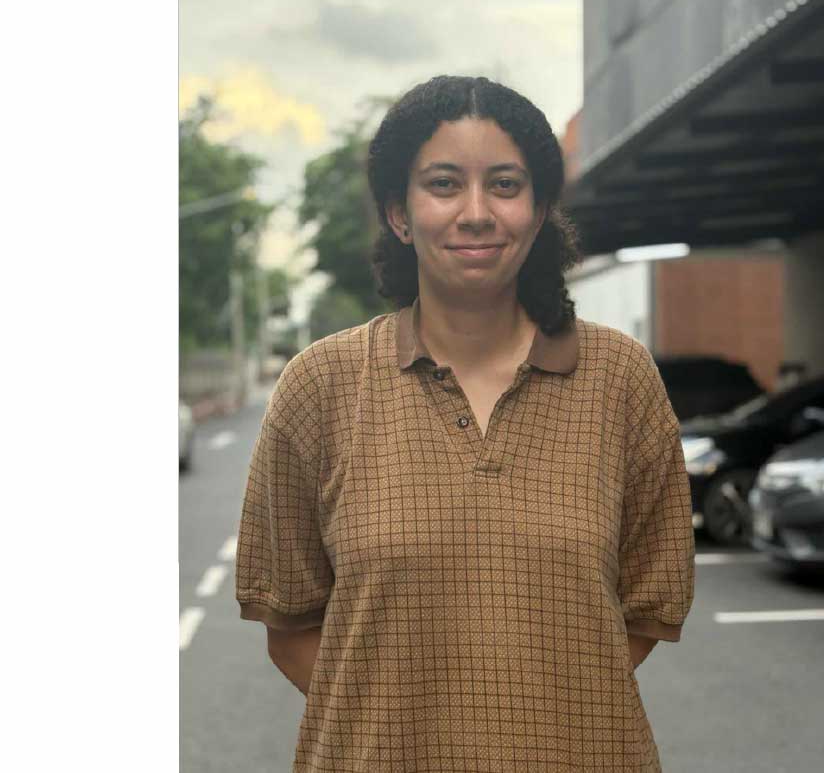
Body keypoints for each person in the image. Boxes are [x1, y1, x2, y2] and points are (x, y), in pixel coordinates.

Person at [235, 75, 695, 772]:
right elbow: (289, 623)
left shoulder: (620, 378)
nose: (476, 213)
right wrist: (412, 730)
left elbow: (644, 611)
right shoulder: (321, 386)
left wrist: (527, 725)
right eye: (444, 184)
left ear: (538, 211)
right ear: (399, 213)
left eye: (505, 185)